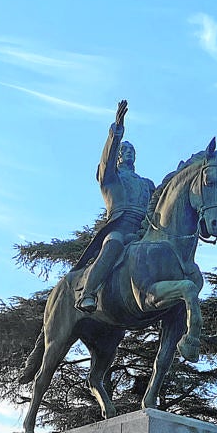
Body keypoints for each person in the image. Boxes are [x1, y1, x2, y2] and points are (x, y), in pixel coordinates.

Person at [74, 99, 156, 312]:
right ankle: (87, 294)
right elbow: (106, 161)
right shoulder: (111, 177)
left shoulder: (147, 184)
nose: (129, 153)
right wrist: (116, 133)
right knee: (114, 244)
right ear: (118, 155)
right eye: (124, 150)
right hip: (120, 227)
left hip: (143, 230)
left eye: (132, 151)